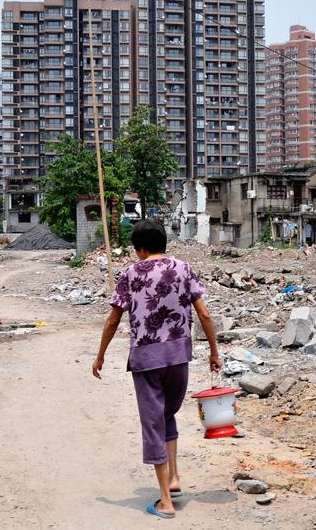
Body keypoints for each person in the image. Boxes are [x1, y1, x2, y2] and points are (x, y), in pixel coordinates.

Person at [92, 219, 221, 520]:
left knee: (153, 423)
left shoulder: (130, 273)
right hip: (179, 356)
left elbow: (112, 320)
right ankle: (173, 477)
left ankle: (165, 501)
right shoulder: (184, 268)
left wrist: (100, 356)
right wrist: (214, 352)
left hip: (147, 359)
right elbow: (204, 314)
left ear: (140, 248)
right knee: (167, 415)